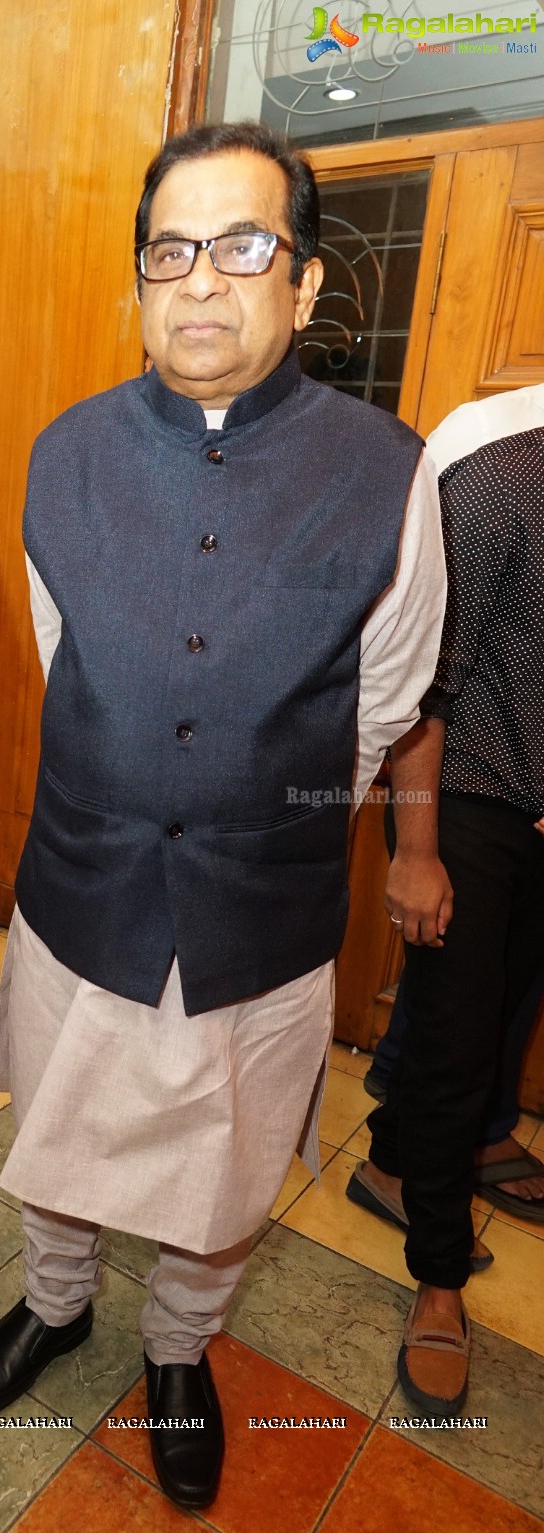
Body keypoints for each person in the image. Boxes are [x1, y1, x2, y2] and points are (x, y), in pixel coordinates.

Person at [0, 121, 446, 1510]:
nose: (201, 281)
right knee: (53, 1121)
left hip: (259, 907)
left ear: (300, 278)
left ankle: (176, 1352)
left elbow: (388, 687)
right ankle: (50, 1307)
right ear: (138, 281)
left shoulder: (386, 468)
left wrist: (251, 811)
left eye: (241, 246)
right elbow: (65, 653)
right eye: (170, 250)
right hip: (81, 882)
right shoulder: (65, 453)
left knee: (221, 1171)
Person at [350, 424, 544, 1416]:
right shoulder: (501, 483)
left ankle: (396, 1163)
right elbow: (414, 683)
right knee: (455, 1045)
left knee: (502, 1018)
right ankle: (438, 1281)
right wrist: (416, 851)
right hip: (467, 802)